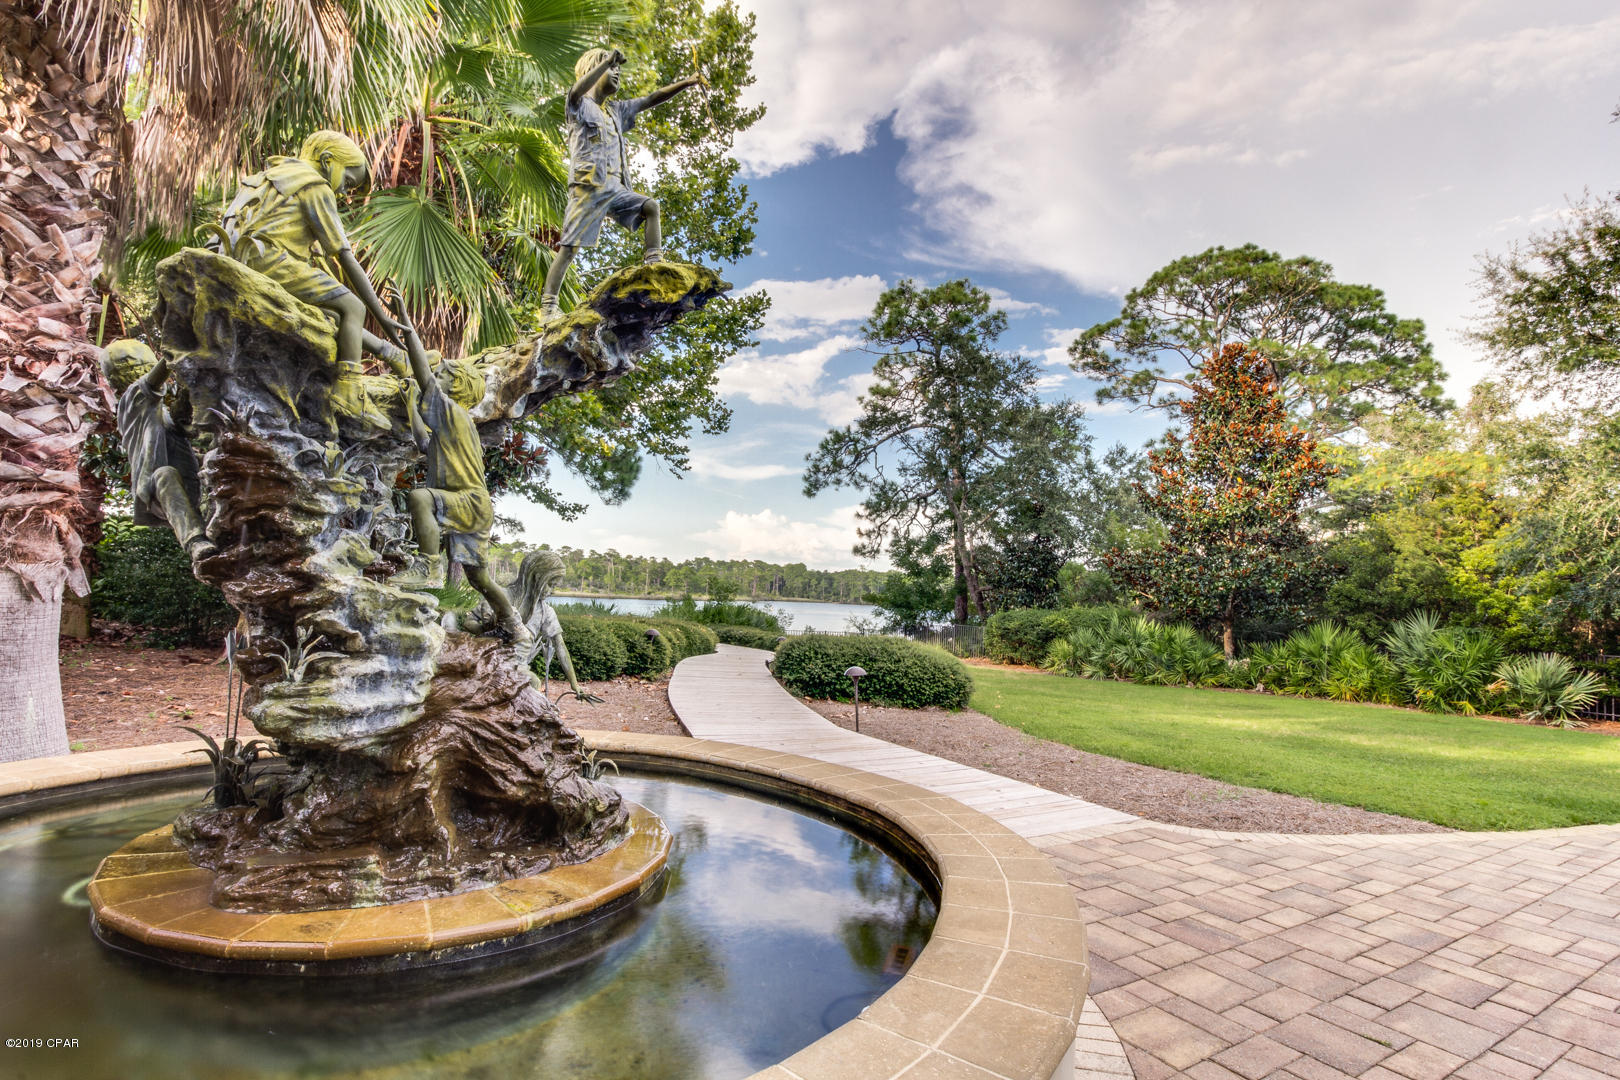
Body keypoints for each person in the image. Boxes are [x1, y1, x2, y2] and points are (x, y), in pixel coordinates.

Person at [388, 308, 531, 645]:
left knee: (420, 498)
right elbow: (424, 444)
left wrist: (409, 330)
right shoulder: (451, 425)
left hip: (468, 500)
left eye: (440, 377)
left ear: (455, 387)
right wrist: (410, 405)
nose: (432, 380)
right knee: (479, 578)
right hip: (476, 506)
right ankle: (514, 626)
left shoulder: (453, 412)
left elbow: (423, 376)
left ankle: (429, 567)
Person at [214, 130, 407, 368]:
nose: (343, 192)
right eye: (347, 182)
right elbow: (345, 256)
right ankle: (350, 384)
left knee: (329, 315)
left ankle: (395, 356)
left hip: (236, 256)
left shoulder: (264, 177)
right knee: (353, 307)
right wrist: (382, 318)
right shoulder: (314, 186)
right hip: (268, 262)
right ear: (327, 161)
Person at [538, 47, 703, 319]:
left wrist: (687, 82)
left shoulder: (616, 110)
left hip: (615, 188)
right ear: (594, 69)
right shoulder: (578, 104)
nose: (616, 73)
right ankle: (548, 307)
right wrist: (606, 62)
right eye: (611, 69)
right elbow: (577, 90)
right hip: (588, 188)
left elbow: (651, 98)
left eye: (617, 69)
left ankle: (654, 263)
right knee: (569, 247)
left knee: (651, 206)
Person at [100, 340, 216, 563]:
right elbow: (152, 380)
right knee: (165, 473)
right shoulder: (131, 402)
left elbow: (186, 437)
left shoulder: (163, 415)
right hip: (157, 489)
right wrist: (180, 347)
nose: (139, 370)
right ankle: (195, 541)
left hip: (191, 487)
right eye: (131, 366)